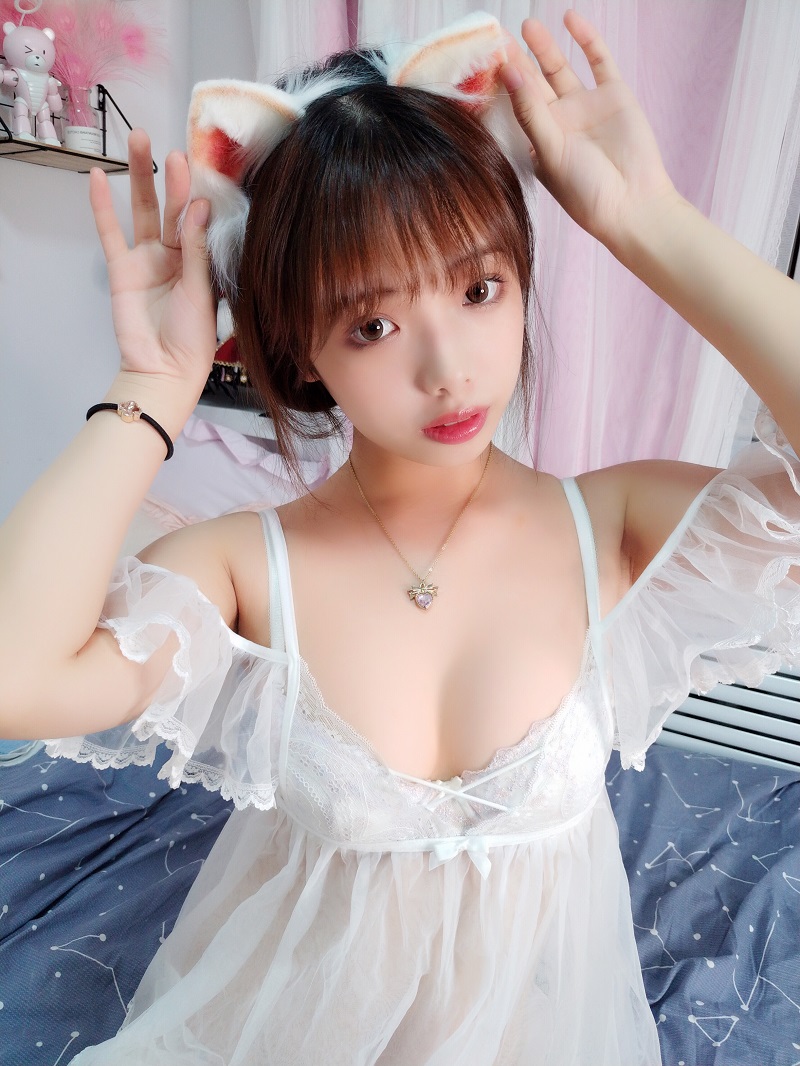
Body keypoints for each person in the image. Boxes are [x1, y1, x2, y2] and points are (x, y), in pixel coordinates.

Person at [1, 9, 799, 1065]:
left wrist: (645, 218)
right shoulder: (247, 568)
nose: (446, 367)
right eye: (371, 324)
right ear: (303, 347)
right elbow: (17, 677)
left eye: (478, 289)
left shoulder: (607, 528)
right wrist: (150, 387)